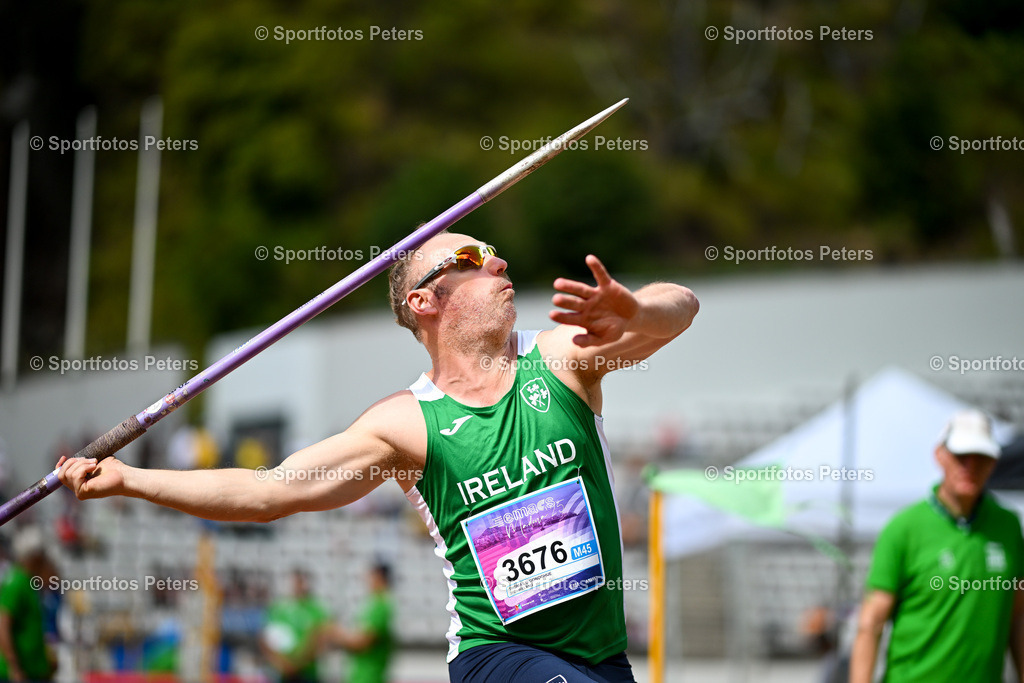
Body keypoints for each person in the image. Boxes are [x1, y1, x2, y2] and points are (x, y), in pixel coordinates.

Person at [57, 232, 699, 683]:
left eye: (498, 255)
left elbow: (682, 310)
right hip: (499, 653)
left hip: (601, 656)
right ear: (425, 301)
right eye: (475, 258)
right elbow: (271, 490)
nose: (499, 265)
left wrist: (637, 308)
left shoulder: (561, 360)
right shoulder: (405, 425)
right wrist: (130, 479)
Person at [850, 409, 1024, 682]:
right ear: (940, 456)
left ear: (993, 462)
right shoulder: (904, 528)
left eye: (982, 457)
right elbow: (871, 622)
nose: (971, 466)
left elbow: (1017, 617)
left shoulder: (1008, 526)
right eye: (961, 457)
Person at [0, 528, 56, 682]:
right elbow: (3, 625)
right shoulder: (17, 583)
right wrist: (14, 667)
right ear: (35, 557)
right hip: (19, 673)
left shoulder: (27, 582)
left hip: (32, 671)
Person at [322, 562, 394, 683]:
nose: (367, 580)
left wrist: (336, 633)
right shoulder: (374, 604)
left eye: (371, 576)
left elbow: (362, 642)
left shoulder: (381, 606)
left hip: (369, 677)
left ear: (379, 577)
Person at [260, 569, 330, 683]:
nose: (296, 586)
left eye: (300, 582)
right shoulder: (277, 609)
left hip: (308, 673)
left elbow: (322, 641)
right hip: (280, 673)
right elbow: (266, 639)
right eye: (294, 582)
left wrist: (298, 663)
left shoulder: (317, 610)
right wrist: (281, 663)